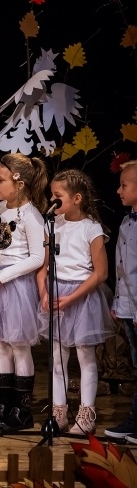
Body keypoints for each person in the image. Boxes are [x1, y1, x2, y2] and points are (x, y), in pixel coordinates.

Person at [0, 154, 48, 432]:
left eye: (0, 179)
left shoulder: (32, 216)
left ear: (20, 183)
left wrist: (3, 275)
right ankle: (5, 406)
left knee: (19, 345)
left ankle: (23, 411)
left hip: (16, 287)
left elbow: (38, 257)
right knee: (2, 345)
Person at [36, 169, 113, 435]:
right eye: (51, 196)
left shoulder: (91, 228)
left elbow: (101, 272)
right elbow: (44, 266)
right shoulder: (52, 225)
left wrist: (71, 297)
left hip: (81, 296)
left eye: (58, 197)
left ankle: (86, 412)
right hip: (57, 293)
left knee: (85, 356)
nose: (52, 202)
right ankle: (59, 411)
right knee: (57, 356)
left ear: (77, 198)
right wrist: (44, 293)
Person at [106, 160, 137, 442]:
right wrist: (118, 302)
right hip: (128, 308)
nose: (119, 190)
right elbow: (123, 268)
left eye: (124, 185)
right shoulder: (127, 221)